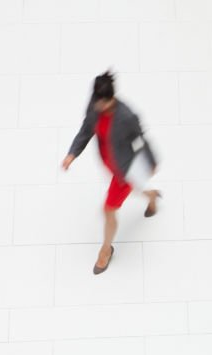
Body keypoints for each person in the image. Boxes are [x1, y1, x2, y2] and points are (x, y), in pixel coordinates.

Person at [62, 71, 161, 275]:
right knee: (138, 187)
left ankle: (105, 251)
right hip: (110, 162)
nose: (96, 108)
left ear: (110, 100)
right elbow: (86, 129)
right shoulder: (95, 104)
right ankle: (152, 197)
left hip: (125, 169)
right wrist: (73, 153)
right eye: (95, 103)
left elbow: (141, 138)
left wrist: (150, 161)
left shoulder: (126, 116)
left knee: (108, 210)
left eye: (101, 105)